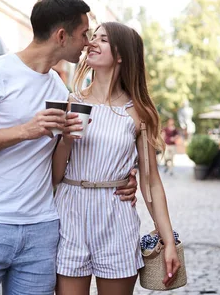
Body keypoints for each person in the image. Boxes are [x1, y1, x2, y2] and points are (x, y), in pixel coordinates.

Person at [0, 0, 138, 295]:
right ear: (62, 36)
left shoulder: (61, 91)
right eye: (84, 34)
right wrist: (25, 131)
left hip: (42, 229)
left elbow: (75, 154)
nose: (88, 42)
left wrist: (125, 177)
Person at [52, 22, 180, 295]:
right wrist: (65, 138)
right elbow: (53, 175)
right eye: (92, 37)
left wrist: (167, 239)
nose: (92, 43)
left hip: (116, 217)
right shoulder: (71, 102)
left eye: (103, 39)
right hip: (70, 212)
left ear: (121, 54)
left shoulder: (138, 113)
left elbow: (151, 182)